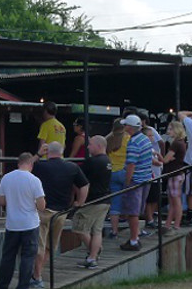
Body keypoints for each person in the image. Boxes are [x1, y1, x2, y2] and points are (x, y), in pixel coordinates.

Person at [31, 142, 88, 287]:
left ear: (47, 152)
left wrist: (38, 154)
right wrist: (79, 202)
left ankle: (37, 276)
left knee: (39, 246)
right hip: (61, 213)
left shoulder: (40, 166)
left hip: (42, 211)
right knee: (51, 246)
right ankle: (37, 274)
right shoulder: (72, 167)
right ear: (62, 152)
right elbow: (84, 185)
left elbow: (25, 168)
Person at [0, 153, 45, 289]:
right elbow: (41, 205)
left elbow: (1, 201)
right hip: (30, 223)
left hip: (12, 224)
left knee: (8, 256)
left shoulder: (6, 178)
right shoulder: (34, 180)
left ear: (18, 163)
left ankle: (2, 284)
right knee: (28, 256)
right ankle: (23, 286)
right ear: (31, 164)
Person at [73, 136, 111, 269]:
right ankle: (92, 257)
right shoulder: (107, 161)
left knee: (79, 227)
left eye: (90, 145)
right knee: (97, 230)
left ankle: (94, 252)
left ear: (99, 146)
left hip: (92, 201)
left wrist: (79, 201)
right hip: (105, 199)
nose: (88, 147)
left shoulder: (92, 162)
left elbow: (80, 180)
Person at [120, 115, 153, 251]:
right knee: (138, 210)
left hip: (136, 181)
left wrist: (127, 183)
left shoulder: (133, 142)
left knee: (132, 212)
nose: (124, 127)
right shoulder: (145, 139)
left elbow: (131, 165)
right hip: (146, 179)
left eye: (125, 125)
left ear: (130, 127)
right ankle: (136, 236)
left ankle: (134, 240)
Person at [161, 120, 187, 232]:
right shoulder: (182, 143)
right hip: (177, 173)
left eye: (171, 129)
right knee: (173, 200)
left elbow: (165, 160)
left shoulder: (176, 144)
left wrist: (157, 154)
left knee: (175, 201)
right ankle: (168, 224)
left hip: (174, 174)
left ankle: (176, 224)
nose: (168, 131)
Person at [105, 120, 130, 238]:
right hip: (125, 172)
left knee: (115, 203)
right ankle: (133, 231)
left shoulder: (108, 139)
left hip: (112, 173)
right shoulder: (128, 138)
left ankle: (114, 231)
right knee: (130, 201)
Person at [142, 127, 163, 231]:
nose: (152, 137)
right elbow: (155, 161)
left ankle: (151, 218)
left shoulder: (152, 148)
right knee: (149, 199)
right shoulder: (145, 148)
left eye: (152, 135)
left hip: (157, 175)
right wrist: (161, 161)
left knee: (155, 198)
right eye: (149, 135)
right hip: (150, 176)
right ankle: (149, 218)